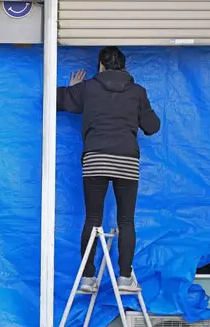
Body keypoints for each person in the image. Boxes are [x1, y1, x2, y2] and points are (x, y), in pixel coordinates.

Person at [57, 46, 160, 293]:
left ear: (100, 65)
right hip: (126, 161)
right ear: (124, 67)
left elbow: (56, 100)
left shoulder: (89, 87)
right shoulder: (137, 92)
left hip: (95, 160)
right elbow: (153, 126)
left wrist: (73, 89)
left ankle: (88, 278)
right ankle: (125, 277)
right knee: (126, 220)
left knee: (93, 218)